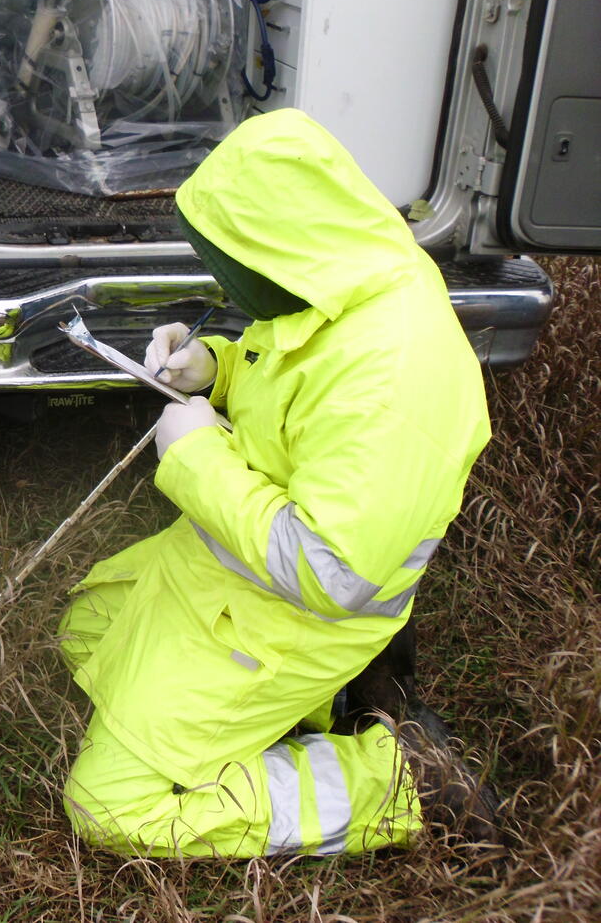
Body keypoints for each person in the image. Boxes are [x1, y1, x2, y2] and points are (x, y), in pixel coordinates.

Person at [57, 108, 497, 857]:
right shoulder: (343, 269)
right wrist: (217, 368)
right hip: (234, 574)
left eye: (230, 264)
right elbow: (295, 377)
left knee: (109, 804)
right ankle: (300, 712)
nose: (223, 282)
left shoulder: (393, 381)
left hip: (295, 614)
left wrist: (197, 458)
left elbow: (332, 570)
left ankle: (397, 779)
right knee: (86, 627)